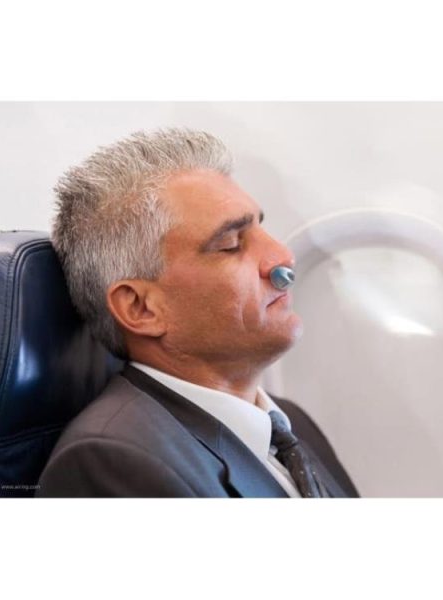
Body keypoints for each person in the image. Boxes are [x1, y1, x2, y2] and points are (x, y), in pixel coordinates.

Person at [36, 128, 359, 498]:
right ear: (141, 308)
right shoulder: (114, 460)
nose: (282, 257)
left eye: (261, 228)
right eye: (231, 244)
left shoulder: (291, 424)